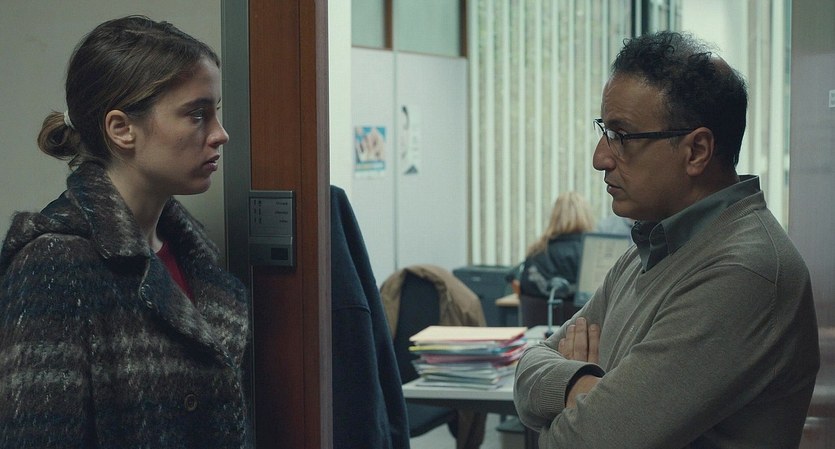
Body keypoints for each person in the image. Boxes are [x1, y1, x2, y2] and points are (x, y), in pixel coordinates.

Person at [513, 31, 819, 449]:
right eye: (605, 130)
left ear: (696, 151)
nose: (600, 157)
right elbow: (528, 367)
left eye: (622, 136)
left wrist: (571, 407)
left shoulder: (745, 272)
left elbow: (583, 442)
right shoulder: (648, 250)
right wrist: (579, 384)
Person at [0, 16, 252, 448]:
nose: (220, 134)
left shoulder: (193, 256)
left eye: (216, 112)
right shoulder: (54, 263)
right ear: (121, 129)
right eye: (197, 114)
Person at [516, 191, 596, 298]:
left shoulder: (536, 252)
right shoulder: (594, 254)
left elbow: (526, 295)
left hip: (545, 309)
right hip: (587, 309)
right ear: (587, 217)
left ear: (554, 217)